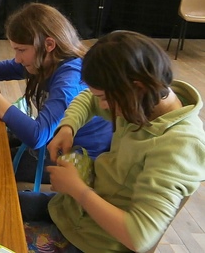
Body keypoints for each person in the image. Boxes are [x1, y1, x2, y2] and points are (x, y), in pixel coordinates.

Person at [20, 31, 205, 252]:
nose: (103, 106)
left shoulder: (179, 147)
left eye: (105, 98)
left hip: (95, 242)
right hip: (71, 210)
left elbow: (139, 236)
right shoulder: (145, 98)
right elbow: (88, 98)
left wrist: (77, 189)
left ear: (137, 88)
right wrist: (68, 126)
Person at [0, 3, 112, 183]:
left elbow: (37, 136)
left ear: (49, 44)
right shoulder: (49, 60)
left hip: (79, 161)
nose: (17, 58)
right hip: (54, 141)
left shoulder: (69, 81)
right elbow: (4, 68)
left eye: (21, 50)